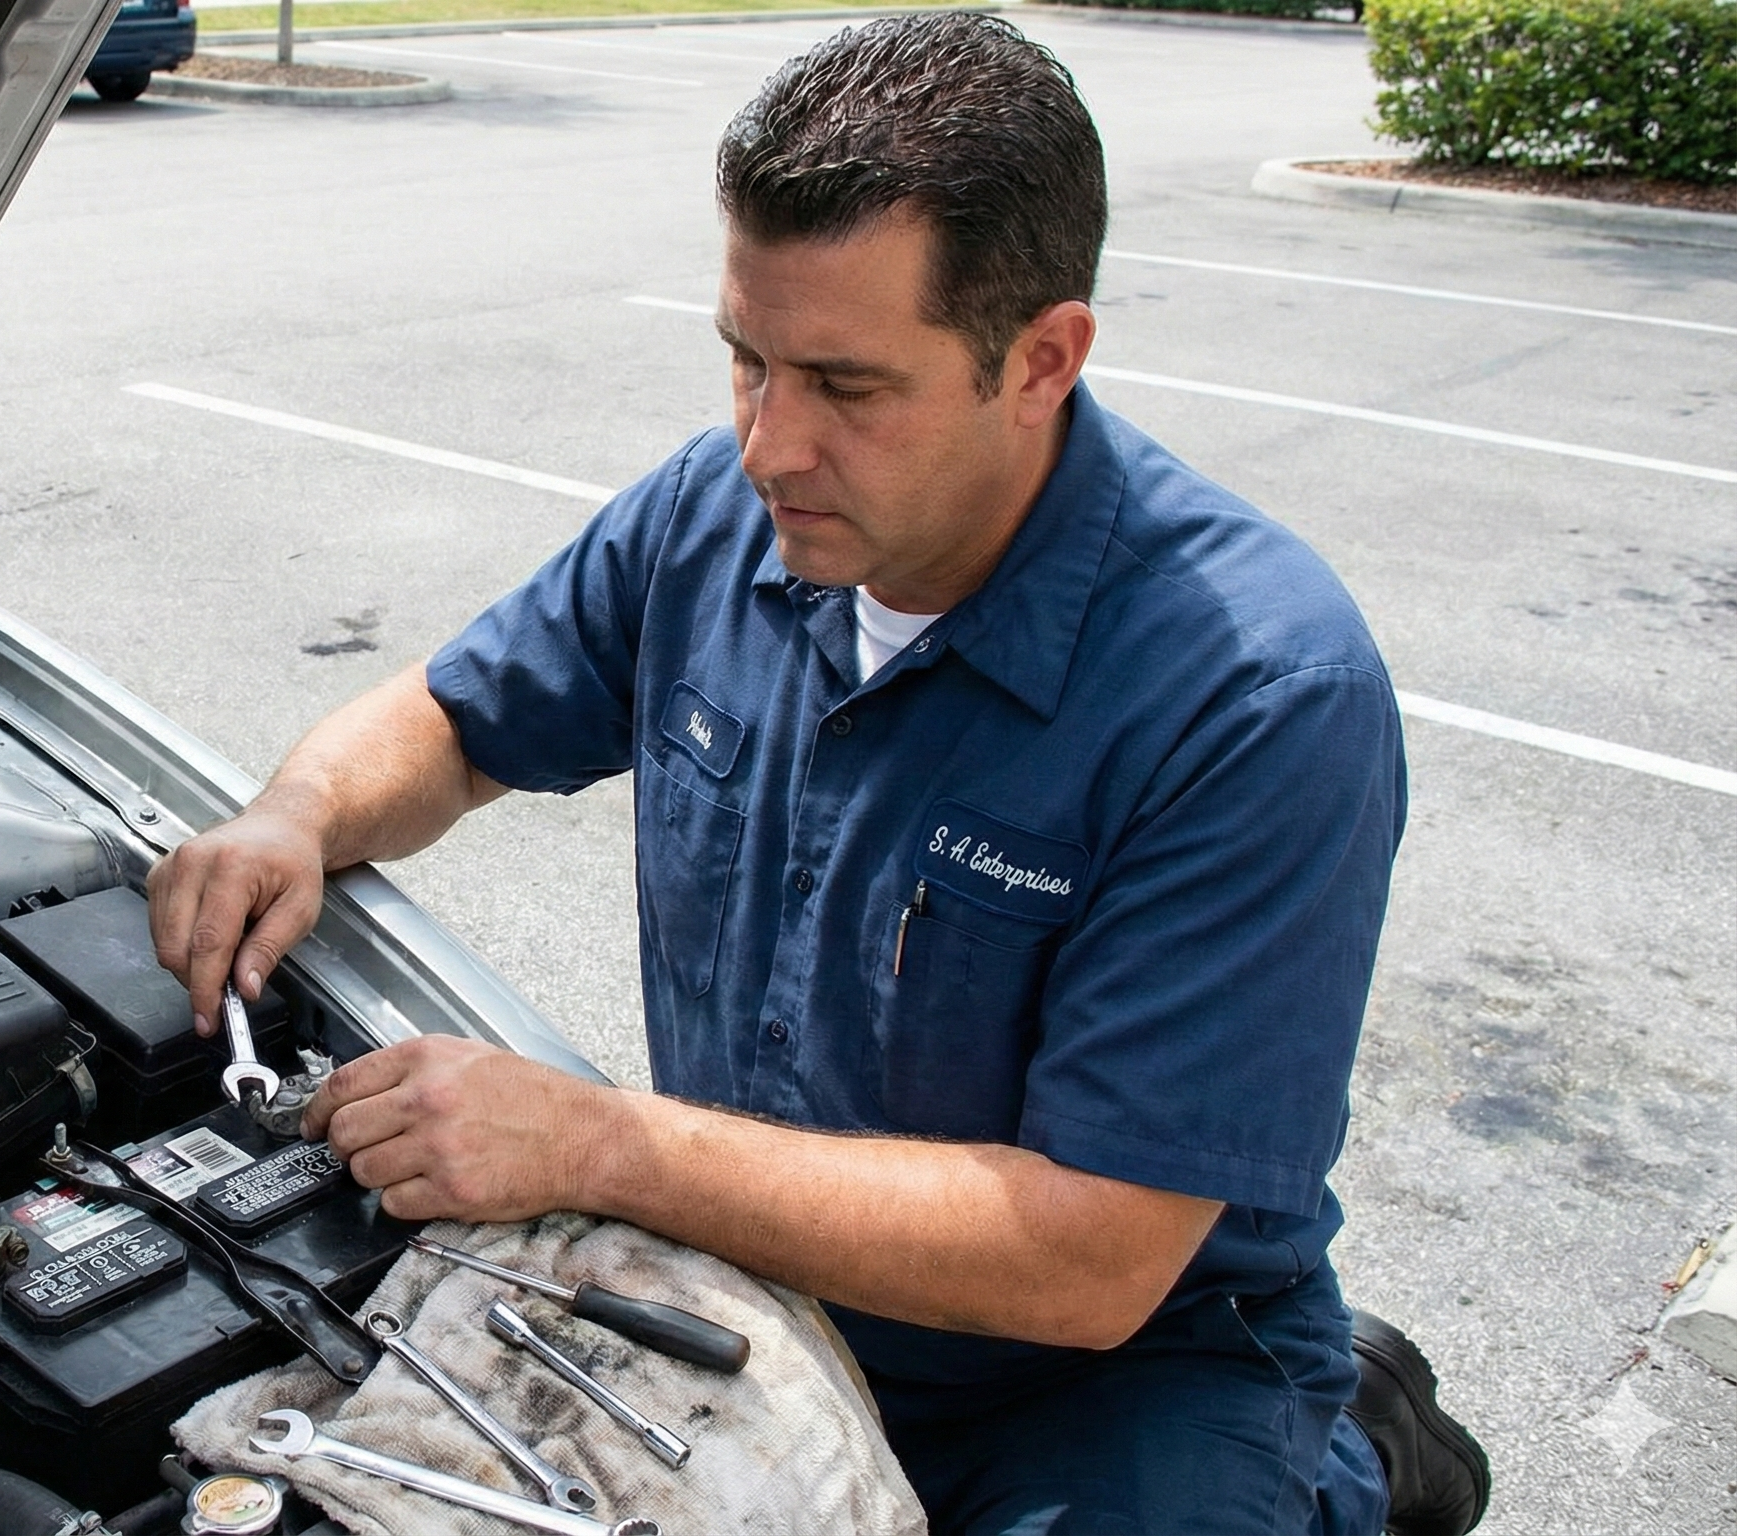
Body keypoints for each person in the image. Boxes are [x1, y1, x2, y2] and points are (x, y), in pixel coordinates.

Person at [148, 14, 1491, 1536]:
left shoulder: (1256, 692)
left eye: (847, 387)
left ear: (1041, 360)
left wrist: (596, 1143)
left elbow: (1092, 1257)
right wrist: (296, 810)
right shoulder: (714, 519)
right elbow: (458, 718)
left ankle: (1352, 1460)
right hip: (755, 1285)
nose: (770, 443)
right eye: (745, 359)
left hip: (1100, 1382)